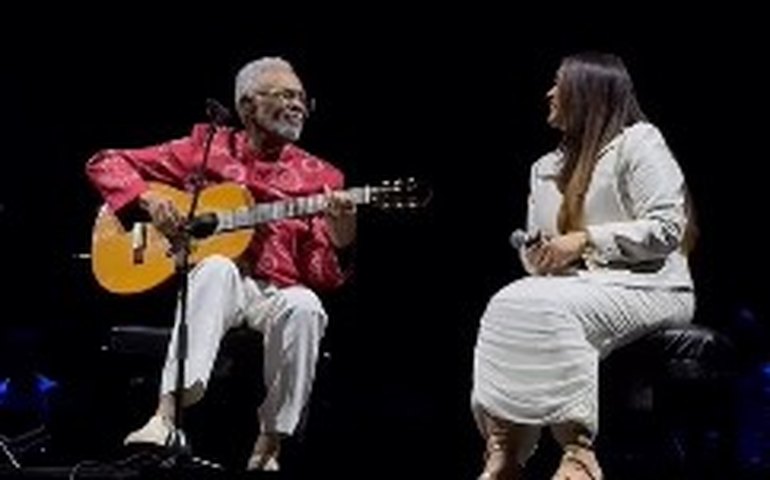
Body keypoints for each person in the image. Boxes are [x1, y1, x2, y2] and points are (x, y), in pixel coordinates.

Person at [85, 57, 356, 471]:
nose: (298, 105)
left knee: (307, 306)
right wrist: (150, 199)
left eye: (303, 98)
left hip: (275, 292)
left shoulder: (321, 178)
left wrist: (341, 239)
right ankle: (166, 418)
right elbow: (105, 162)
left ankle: (270, 444)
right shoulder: (205, 148)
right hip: (212, 284)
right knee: (217, 267)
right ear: (247, 105)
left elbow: (321, 274)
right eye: (285, 95)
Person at [471, 52, 696, 479]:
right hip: (574, 285)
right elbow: (538, 247)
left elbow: (668, 228)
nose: (549, 93)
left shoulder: (638, 142)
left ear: (589, 91)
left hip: (650, 286)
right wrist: (537, 255)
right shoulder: (544, 168)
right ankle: (503, 450)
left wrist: (586, 240)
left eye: (559, 83)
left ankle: (578, 454)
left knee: (552, 309)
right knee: (504, 301)